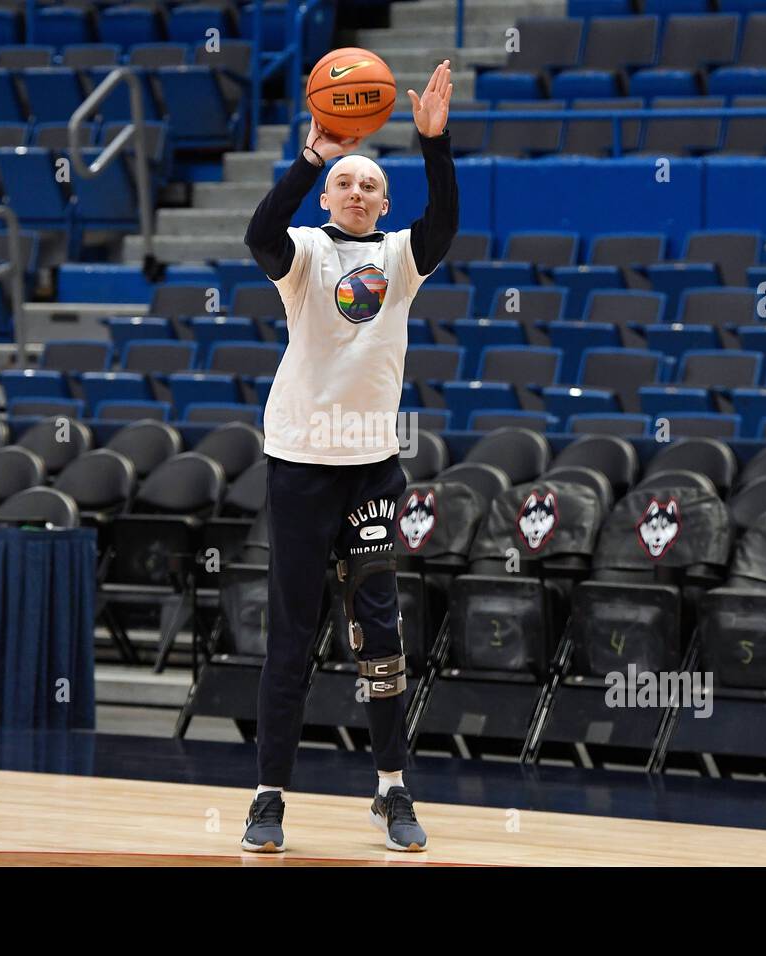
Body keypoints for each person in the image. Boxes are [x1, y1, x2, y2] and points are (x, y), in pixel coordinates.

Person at [240, 60, 457, 853]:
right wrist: (311, 159)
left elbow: (444, 225)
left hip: (372, 470)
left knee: (380, 631)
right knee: (292, 636)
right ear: (330, 195)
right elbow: (257, 233)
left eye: (371, 184)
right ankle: (269, 799)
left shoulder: (401, 260)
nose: (358, 192)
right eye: (347, 183)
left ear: (384, 202)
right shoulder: (301, 256)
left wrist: (434, 144)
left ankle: (392, 791)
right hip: (299, 463)